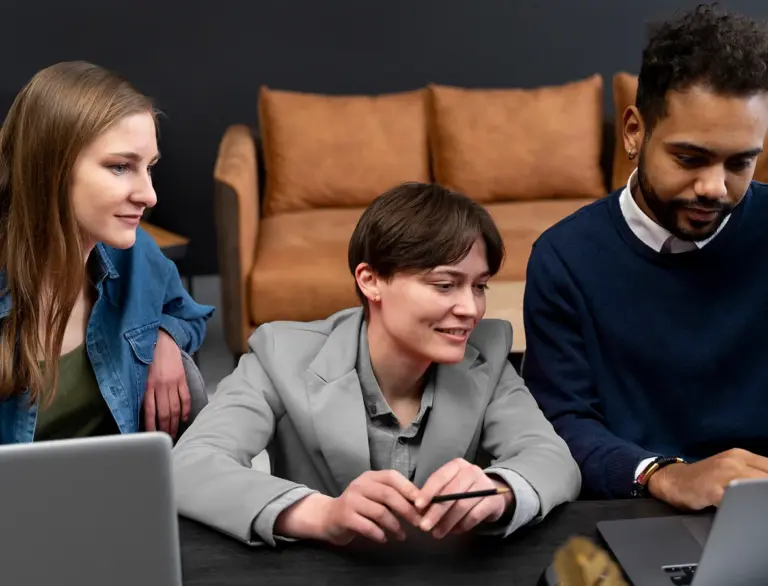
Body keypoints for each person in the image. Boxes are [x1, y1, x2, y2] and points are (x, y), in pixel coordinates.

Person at [173, 182, 580, 546]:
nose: (470, 308)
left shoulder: (486, 353)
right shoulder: (281, 353)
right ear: (370, 280)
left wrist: (498, 490)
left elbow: (552, 458)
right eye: (445, 285)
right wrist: (322, 514)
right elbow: (189, 465)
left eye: (479, 286)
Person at [522, 4, 768, 510]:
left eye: (740, 162)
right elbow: (561, 421)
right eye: (690, 158)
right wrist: (664, 475)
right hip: (636, 504)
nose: (715, 187)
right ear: (634, 131)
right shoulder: (564, 259)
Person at [0, 61, 214, 443]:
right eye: (120, 167)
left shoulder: (133, 254)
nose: (149, 195)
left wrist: (165, 338)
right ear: (50, 168)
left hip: (116, 481)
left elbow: (187, 314)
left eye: (149, 168)